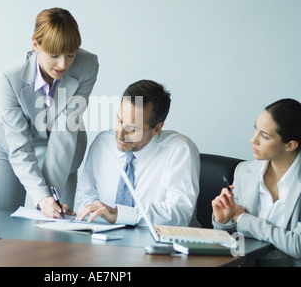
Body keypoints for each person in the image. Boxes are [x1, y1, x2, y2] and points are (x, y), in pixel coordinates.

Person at [0, 7, 99, 217]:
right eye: (54, 55)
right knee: (0, 222)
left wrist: (49, 200)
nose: (63, 64)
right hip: (13, 148)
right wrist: (41, 198)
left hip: (64, 149)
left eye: (71, 55)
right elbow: (19, 145)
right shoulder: (10, 77)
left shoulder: (88, 65)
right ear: (36, 45)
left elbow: (66, 127)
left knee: (58, 225)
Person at [75, 80, 200, 226]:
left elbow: (179, 213)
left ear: (156, 129)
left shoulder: (179, 150)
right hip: (105, 241)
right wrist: (87, 212)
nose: (121, 135)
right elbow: (84, 197)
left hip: (162, 245)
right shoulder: (102, 143)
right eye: (119, 121)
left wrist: (118, 215)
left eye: (132, 129)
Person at [212, 98, 301, 266]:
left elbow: (297, 245)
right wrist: (225, 222)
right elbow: (236, 241)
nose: (253, 140)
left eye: (265, 136)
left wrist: (244, 219)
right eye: (256, 129)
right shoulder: (244, 171)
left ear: (290, 145)